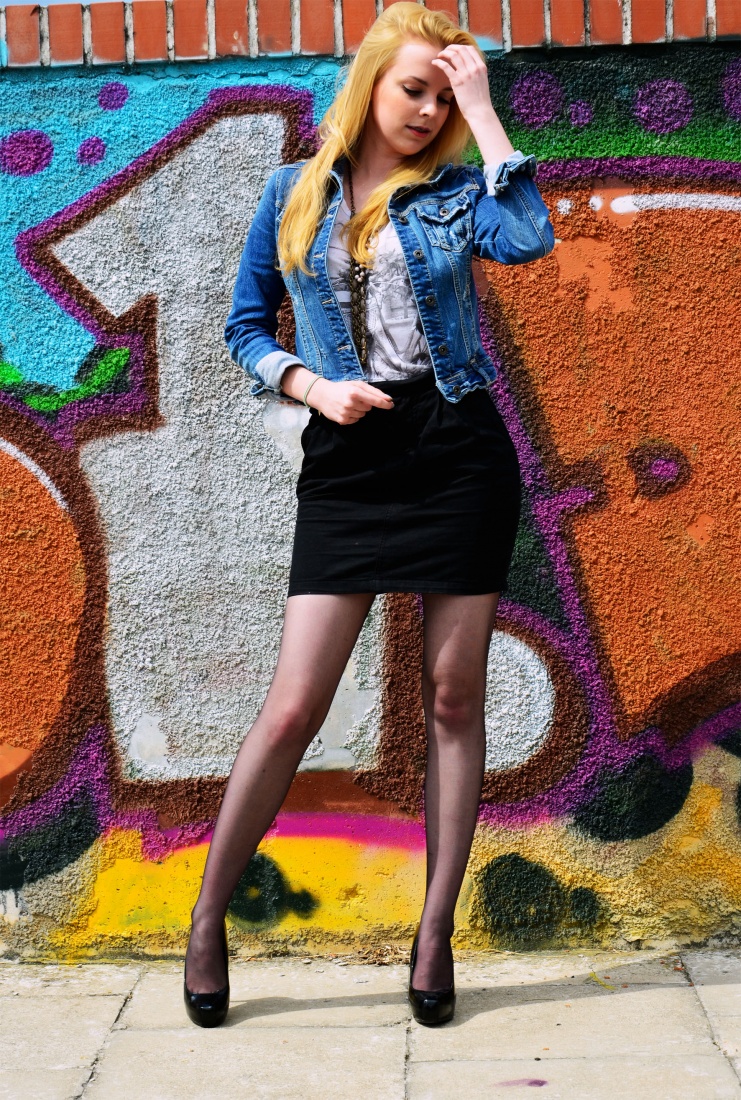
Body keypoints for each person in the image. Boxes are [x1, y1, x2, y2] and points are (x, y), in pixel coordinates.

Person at [184, 2, 554, 1029]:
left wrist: (486, 111)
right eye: (414, 89)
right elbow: (244, 325)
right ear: (370, 84)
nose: (427, 111)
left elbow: (529, 235)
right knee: (293, 706)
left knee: (452, 698)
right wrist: (310, 385)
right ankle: (207, 918)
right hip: (348, 460)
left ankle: (433, 934)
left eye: (443, 97)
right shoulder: (292, 193)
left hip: (457, 450)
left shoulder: (457, 193)